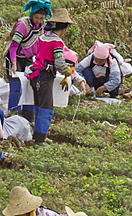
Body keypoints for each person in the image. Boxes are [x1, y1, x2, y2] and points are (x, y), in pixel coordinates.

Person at [26, 8, 75, 144]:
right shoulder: (57, 42)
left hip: (35, 75)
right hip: (44, 77)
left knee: (38, 105)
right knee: (46, 108)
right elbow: (59, 62)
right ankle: (39, 140)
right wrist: (67, 71)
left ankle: (39, 135)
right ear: (64, 29)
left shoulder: (44, 36)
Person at [4, 0, 51, 123]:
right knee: (16, 85)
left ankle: (28, 117)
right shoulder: (23, 24)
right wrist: (14, 64)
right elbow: (14, 45)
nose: (39, 20)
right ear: (32, 15)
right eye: (37, 17)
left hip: (29, 58)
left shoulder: (43, 25)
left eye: (42, 18)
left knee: (30, 84)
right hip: (15, 56)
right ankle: (13, 116)